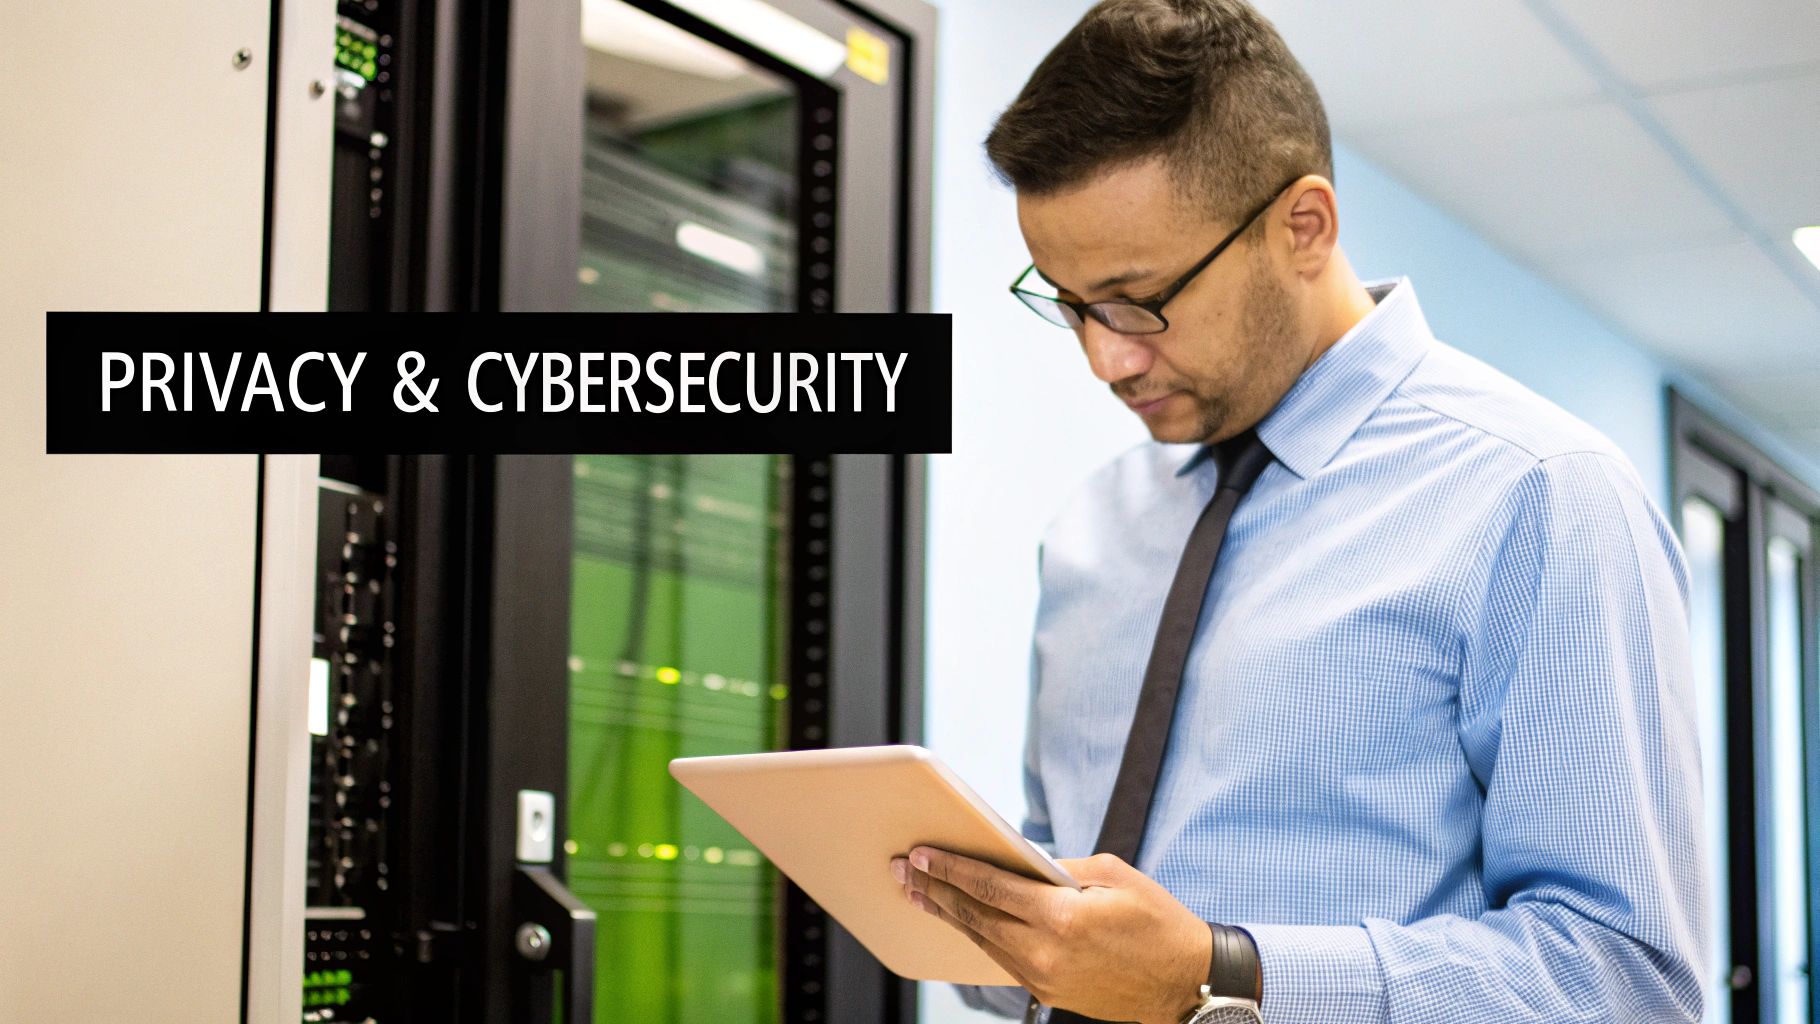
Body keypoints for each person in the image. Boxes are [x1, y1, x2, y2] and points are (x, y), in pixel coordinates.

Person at [887, 1, 1708, 1022]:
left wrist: (1224, 971)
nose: (1104, 359)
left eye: (1136, 301)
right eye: (1065, 302)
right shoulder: (1095, 527)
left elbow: (1625, 979)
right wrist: (977, 919)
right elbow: (1079, 907)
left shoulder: (1538, 494)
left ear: (1302, 227)